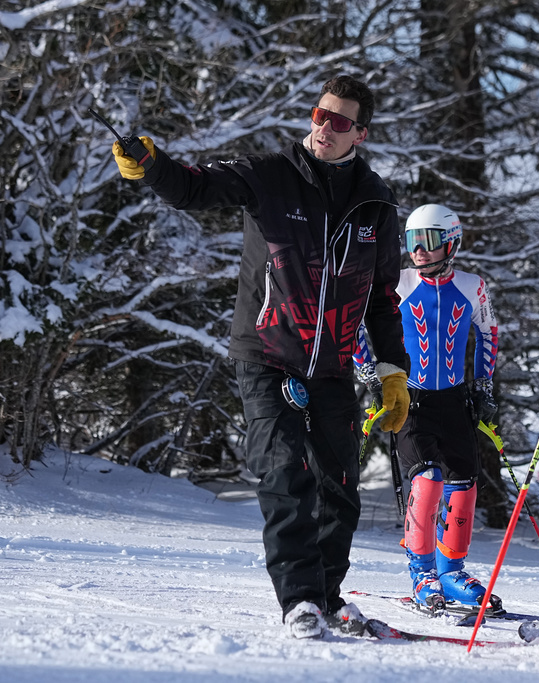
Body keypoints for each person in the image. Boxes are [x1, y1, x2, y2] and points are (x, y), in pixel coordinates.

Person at [112, 75, 412, 639]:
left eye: (340, 121)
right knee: (283, 471)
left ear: (360, 134)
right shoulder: (269, 175)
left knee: (340, 484)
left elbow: (382, 297)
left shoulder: (376, 203)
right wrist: (152, 165)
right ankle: (299, 600)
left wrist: (393, 369)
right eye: (320, 113)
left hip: (332, 368)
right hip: (268, 352)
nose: (325, 126)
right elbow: (194, 188)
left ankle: (327, 594)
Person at [354, 204, 499, 614]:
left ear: (450, 243)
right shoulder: (396, 283)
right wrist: (370, 370)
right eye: (412, 240)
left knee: (464, 483)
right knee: (427, 479)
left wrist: (484, 386)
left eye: (429, 241)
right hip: (409, 400)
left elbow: (487, 333)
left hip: (454, 400)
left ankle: (451, 571)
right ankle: (422, 573)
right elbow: (356, 323)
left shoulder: (473, 286)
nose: (418, 250)